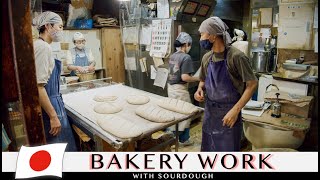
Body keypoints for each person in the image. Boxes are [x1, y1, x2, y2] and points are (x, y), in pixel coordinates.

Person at [194, 17, 258, 152]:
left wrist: (235, 111)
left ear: (212, 36)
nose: (200, 38)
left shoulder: (236, 57)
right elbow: (203, 79)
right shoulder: (207, 57)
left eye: (202, 34)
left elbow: (252, 84)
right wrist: (199, 89)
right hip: (210, 115)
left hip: (229, 115)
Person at [32, 11, 77, 151]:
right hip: (50, 106)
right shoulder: (43, 47)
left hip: (53, 102)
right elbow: (39, 87)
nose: (61, 31)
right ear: (48, 26)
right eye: (60, 27)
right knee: (61, 150)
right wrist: (53, 116)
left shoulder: (42, 45)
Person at [167, 32, 200, 146]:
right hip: (180, 89)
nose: (190, 47)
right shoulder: (186, 57)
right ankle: (183, 140)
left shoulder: (173, 55)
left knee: (174, 113)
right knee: (186, 114)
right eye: (189, 44)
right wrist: (198, 78)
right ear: (186, 44)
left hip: (171, 88)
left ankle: (171, 138)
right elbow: (185, 77)